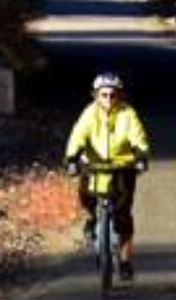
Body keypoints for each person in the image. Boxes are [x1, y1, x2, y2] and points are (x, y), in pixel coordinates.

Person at [65, 71, 152, 283]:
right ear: (96, 95)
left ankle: (125, 259)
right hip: (94, 165)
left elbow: (138, 136)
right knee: (85, 195)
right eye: (104, 95)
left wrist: (141, 155)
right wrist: (72, 158)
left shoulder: (127, 113)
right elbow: (78, 135)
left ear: (119, 95)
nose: (108, 99)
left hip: (122, 166)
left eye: (113, 95)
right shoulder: (89, 113)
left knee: (123, 214)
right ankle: (93, 219)